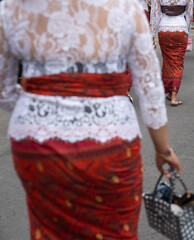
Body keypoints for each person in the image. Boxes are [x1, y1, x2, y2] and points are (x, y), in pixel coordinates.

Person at [0, 0, 182, 239]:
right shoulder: (125, 8)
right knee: (115, 230)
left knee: (50, 231)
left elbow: (4, 90)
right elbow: (149, 88)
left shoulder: (13, 7)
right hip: (110, 143)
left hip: (37, 144)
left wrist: (37, 111)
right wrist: (164, 151)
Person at [151, 0, 194, 107]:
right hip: (181, 28)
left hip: (164, 29)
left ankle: (169, 92)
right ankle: (174, 97)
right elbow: (190, 15)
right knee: (177, 63)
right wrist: (187, 31)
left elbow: (154, 15)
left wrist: (152, 35)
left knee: (167, 62)